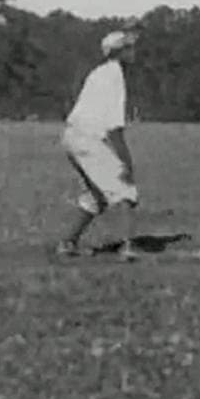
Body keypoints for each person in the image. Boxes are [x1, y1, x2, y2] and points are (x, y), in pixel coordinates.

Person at [55, 30, 140, 261]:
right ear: (119, 52)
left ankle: (67, 243)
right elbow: (114, 127)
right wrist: (126, 161)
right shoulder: (115, 76)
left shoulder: (99, 73)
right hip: (88, 139)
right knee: (125, 189)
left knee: (96, 196)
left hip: (72, 136)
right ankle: (127, 248)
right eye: (128, 48)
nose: (133, 51)